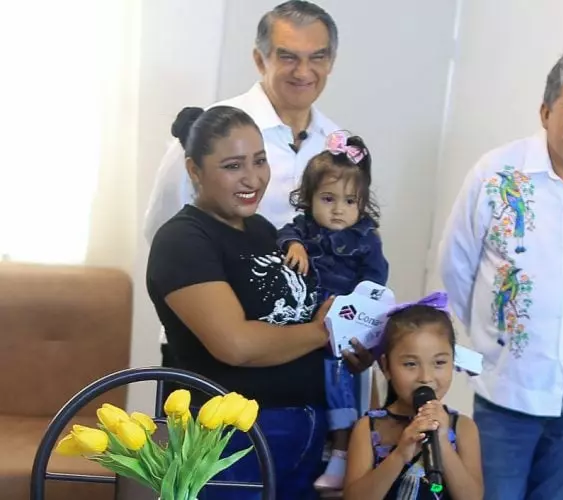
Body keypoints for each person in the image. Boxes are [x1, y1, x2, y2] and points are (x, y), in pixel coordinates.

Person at [437, 50, 563, 499]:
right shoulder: (497, 173)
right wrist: (495, 341)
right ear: (546, 111)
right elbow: (456, 266)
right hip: (508, 392)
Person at [146, 105, 372, 500]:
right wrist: (324, 332)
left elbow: (295, 322)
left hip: (308, 433)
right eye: (233, 166)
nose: (252, 178)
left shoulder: (265, 231)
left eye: (260, 160)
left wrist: (350, 346)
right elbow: (236, 344)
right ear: (194, 170)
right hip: (232, 442)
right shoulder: (182, 241)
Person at [143, 0, 341, 367]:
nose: (303, 71)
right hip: (213, 352)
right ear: (260, 59)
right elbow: (165, 231)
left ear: (331, 61)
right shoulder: (208, 131)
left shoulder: (338, 146)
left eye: (317, 57)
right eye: (288, 57)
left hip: (309, 346)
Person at [277, 130, 389, 490]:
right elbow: (284, 234)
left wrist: (355, 315)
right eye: (328, 198)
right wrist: (294, 245)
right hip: (302, 328)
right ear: (309, 198)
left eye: (350, 201)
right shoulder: (303, 229)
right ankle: (316, 448)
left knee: (340, 385)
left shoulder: (365, 238)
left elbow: (375, 283)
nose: (339, 209)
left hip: (343, 327)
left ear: (362, 203)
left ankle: (341, 455)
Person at [343, 292, 484, 500]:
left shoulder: (463, 427)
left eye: (439, 363)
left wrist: (442, 442)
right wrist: (400, 454)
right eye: (410, 364)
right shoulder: (368, 427)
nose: (425, 377)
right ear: (386, 367)